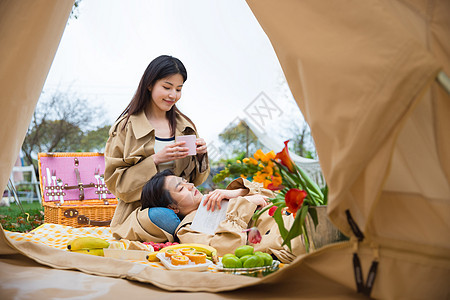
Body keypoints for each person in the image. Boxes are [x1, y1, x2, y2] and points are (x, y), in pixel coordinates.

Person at [104, 55, 210, 241]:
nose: (173, 95)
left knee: (221, 205)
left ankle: (189, 230)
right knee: (163, 217)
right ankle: (187, 232)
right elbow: (116, 184)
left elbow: (195, 181)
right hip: (142, 211)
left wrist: (201, 156)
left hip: (183, 208)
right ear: (150, 84)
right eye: (167, 87)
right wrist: (155, 159)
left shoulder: (185, 126)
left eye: (178, 89)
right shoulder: (124, 128)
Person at [138, 169, 306, 263]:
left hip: (300, 214)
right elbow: (226, 250)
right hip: (292, 239)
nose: (190, 185)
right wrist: (245, 204)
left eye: (185, 181)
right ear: (172, 207)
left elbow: (272, 194)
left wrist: (236, 192)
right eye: (181, 188)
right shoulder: (188, 230)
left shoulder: (218, 196)